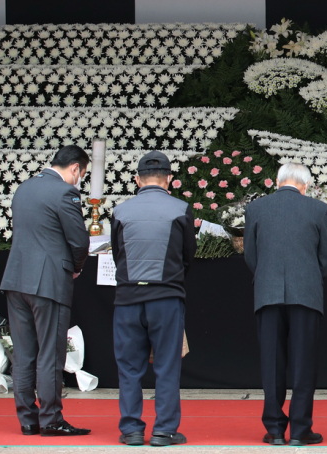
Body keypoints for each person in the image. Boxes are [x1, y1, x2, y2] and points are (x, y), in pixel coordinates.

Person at [0, 145, 92, 437]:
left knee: (24, 354)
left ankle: (28, 420)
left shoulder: (23, 188)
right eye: (82, 174)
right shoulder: (65, 192)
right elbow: (79, 241)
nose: (80, 180)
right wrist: (76, 267)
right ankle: (51, 419)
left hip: (16, 279)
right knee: (50, 353)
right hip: (48, 281)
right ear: (75, 168)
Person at [244, 163, 327, 446]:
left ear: (277, 181)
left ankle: (274, 429)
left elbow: (251, 254)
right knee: (303, 362)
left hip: (268, 292)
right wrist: (309, 276)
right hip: (306, 293)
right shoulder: (318, 209)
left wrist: (266, 277)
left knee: (272, 362)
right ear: (305, 186)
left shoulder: (256, 209)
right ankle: (299, 429)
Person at [110, 151, 196, 446]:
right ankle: (164, 430)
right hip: (166, 297)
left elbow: (117, 253)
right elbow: (188, 256)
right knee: (167, 366)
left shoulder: (120, 211)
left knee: (129, 368)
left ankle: (132, 429)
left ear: (137, 180)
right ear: (169, 179)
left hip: (128, 299)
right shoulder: (181, 209)